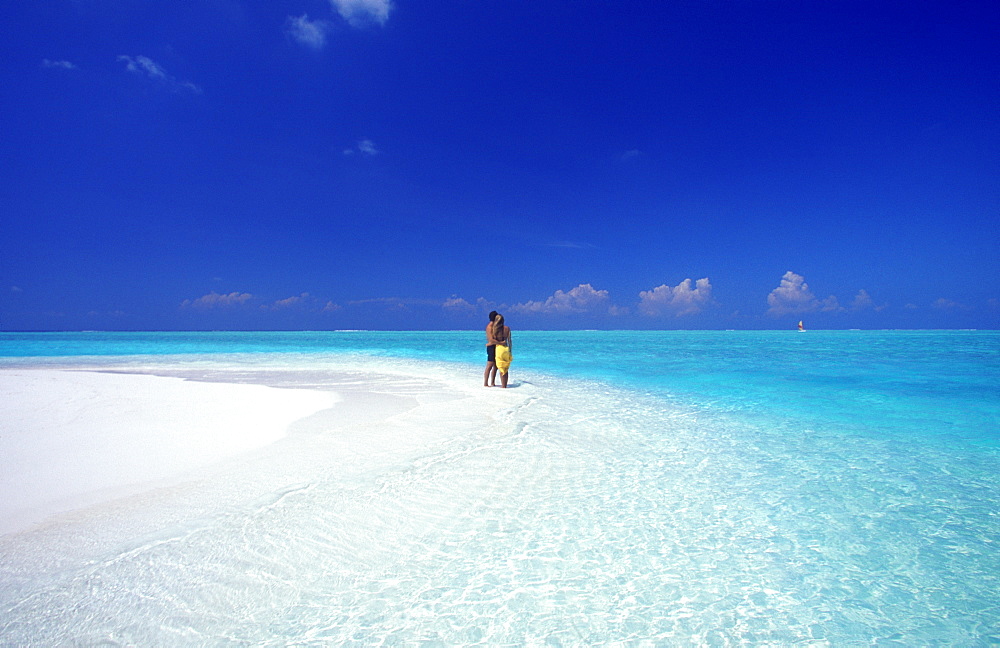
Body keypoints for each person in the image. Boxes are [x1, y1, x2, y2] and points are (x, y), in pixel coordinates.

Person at [492, 313, 513, 388]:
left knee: (501, 367)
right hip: (506, 348)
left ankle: (503, 387)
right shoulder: (507, 328)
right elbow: (509, 341)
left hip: (499, 348)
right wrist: (510, 350)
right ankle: (504, 385)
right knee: (505, 368)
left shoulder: (495, 329)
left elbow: (493, 340)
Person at [484, 310, 499, 387]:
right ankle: (486, 383)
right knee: (490, 365)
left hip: (495, 346)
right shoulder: (490, 327)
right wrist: (501, 343)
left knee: (496, 366)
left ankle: (492, 382)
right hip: (491, 346)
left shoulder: (495, 326)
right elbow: (491, 340)